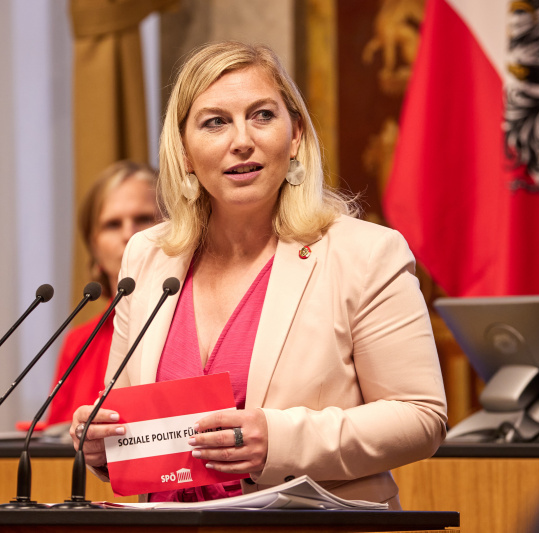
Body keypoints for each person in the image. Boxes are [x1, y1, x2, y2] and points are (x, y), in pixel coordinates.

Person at [70, 41, 447, 508]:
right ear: (185, 152)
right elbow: (132, 423)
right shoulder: (147, 256)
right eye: (215, 122)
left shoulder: (365, 253)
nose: (242, 139)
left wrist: (278, 438)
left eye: (262, 116)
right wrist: (105, 444)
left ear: (295, 136)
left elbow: (420, 418)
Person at [46, 160, 159, 426]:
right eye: (112, 224)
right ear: (94, 247)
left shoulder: (202, 318)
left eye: (143, 219)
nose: (129, 235)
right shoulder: (79, 343)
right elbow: (57, 442)